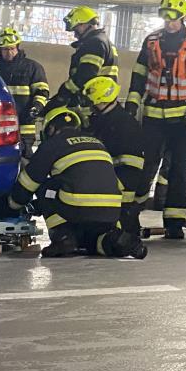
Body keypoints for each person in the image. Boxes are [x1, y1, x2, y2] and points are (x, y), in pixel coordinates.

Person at [127, 0, 186, 239]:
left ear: (183, 16)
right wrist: (132, 104)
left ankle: (174, 223)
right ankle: (130, 215)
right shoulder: (151, 40)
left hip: (184, 118)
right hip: (154, 116)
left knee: (180, 170)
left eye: (173, 16)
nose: (169, 21)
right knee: (145, 166)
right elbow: (138, 75)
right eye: (165, 16)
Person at [8, 106, 130, 258]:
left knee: (46, 187)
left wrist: (14, 204)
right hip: (111, 211)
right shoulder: (98, 143)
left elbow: (30, 180)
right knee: (91, 241)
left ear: (51, 128)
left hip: (76, 207)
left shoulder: (53, 144)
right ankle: (113, 241)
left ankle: (63, 237)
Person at [77, 76, 148, 258]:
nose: (89, 108)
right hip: (109, 192)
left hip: (121, 199)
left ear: (103, 101)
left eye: (93, 103)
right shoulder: (103, 121)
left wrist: (117, 199)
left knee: (107, 238)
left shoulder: (125, 126)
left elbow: (131, 171)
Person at [0, 27, 50, 154]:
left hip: (25, 125)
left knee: (25, 156)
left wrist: (37, 107)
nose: (9, 53)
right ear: (0, 50)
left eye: (12, 48)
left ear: (17, 47)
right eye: (5, 49)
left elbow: (42, 91)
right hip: (2, 125)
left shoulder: (32, 67)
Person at [56, 6, 115, 107]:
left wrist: (64, 92)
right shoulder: (102, 41)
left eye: (76, 30)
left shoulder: (95, 43)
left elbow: (85, 74)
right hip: (100, 103)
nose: (75, 35)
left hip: (93, 105)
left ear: (84, 24)